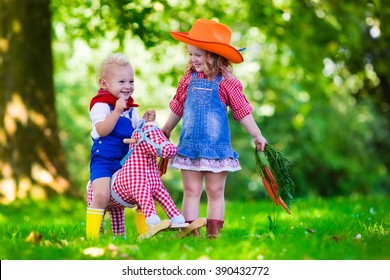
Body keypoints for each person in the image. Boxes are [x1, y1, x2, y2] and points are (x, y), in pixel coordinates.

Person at [161, 19, 267, 238]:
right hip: (189, 146)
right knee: (191, 190)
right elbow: (178, 106)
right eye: (190, 54)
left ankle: (214, 235)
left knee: (215, 191)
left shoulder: (227, 82)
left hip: (217, 148)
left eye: (198, 55)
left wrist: (256, 135)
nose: (192, 59)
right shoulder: (187, 79)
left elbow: (242, 111)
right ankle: (190, 233)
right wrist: (167, 128)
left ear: (213, 56)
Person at [86, 53, 155, 240]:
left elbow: (138, 130)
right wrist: (117, 111)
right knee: (101, 195)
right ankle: (92, 236)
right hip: (104, 161)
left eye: (131, 81)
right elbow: (102, 130)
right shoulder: (100, 106)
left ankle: (146, 232)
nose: (128, 86)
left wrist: (146, 121)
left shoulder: (131, 109)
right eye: (122, 81)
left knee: (142, 189)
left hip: (125, 161)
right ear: (104, 84)